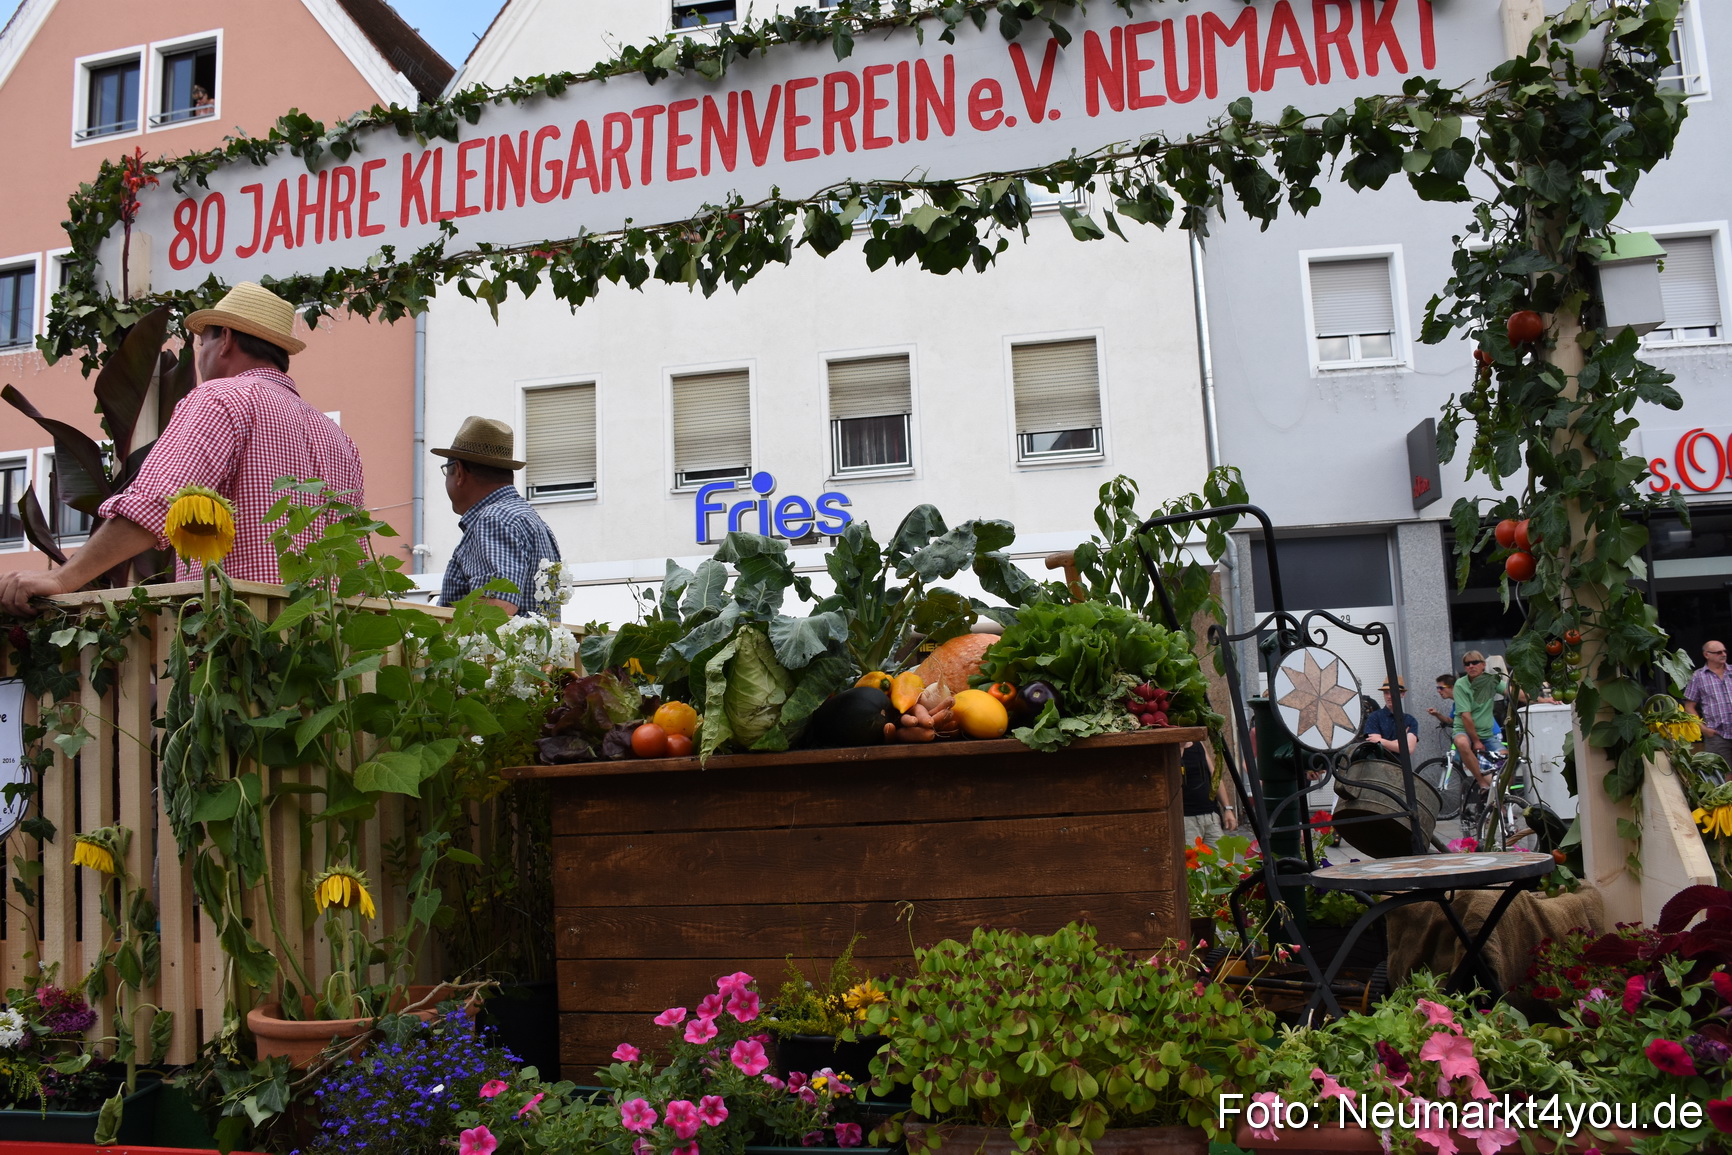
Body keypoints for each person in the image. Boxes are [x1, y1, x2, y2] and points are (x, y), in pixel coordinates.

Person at [0, 282, 363, 614]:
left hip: (243, 637)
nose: (200, 356)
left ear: (225, 339)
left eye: (202, 343)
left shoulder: (220, 398)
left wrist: (63, 578)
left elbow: (155, 505)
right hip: (328, 639)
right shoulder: (337, 435)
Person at [435, 416, 561, 617]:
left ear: (458, 472)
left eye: (446, 472)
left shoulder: (493, 520)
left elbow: (497, 607)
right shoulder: (531, 520)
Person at [1452, 651, 1506, 818]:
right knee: (1462, 742)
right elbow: (1465, 716)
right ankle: (1483, 785)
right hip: (1465, 731)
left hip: (1487, 734)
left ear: (1483, 665)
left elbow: (1513, 693)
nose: (1471, 666)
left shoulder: (1491, 680)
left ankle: (1503, 804)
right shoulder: (1461, 685)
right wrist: (1475, 741)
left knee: (1507, 761)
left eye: (1475, 662)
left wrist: (1542, 700)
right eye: (1467, 664)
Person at [1180, 738, 1238, 849]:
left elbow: (1214, 777)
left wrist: (1227, 808)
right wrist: (1180, 748)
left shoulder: (1198, 744)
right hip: (1186, 819)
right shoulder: (1170, 748)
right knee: (1192, 859)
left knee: (1222, 857)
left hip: (1210, 815)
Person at [1685, 640, 1732, 765]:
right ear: (1707, 655)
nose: (1723, 654)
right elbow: (1689, 706)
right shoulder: (1698, 677)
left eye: (1724, 651)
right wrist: (1703, 729)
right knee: (1722, 772)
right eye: (1718, 652)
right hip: (1717, 735)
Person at [1362, 677, 1419, 758]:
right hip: (1378, 764)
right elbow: (1375, 747)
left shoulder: (1410, 720)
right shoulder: (1374, 717)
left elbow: (1409, 749)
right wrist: (1400, 742)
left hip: (1401, 765)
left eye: (1393, 692)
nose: (1389, 696)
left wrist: (1381, 741)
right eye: (1386, 693)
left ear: (1402, 694)